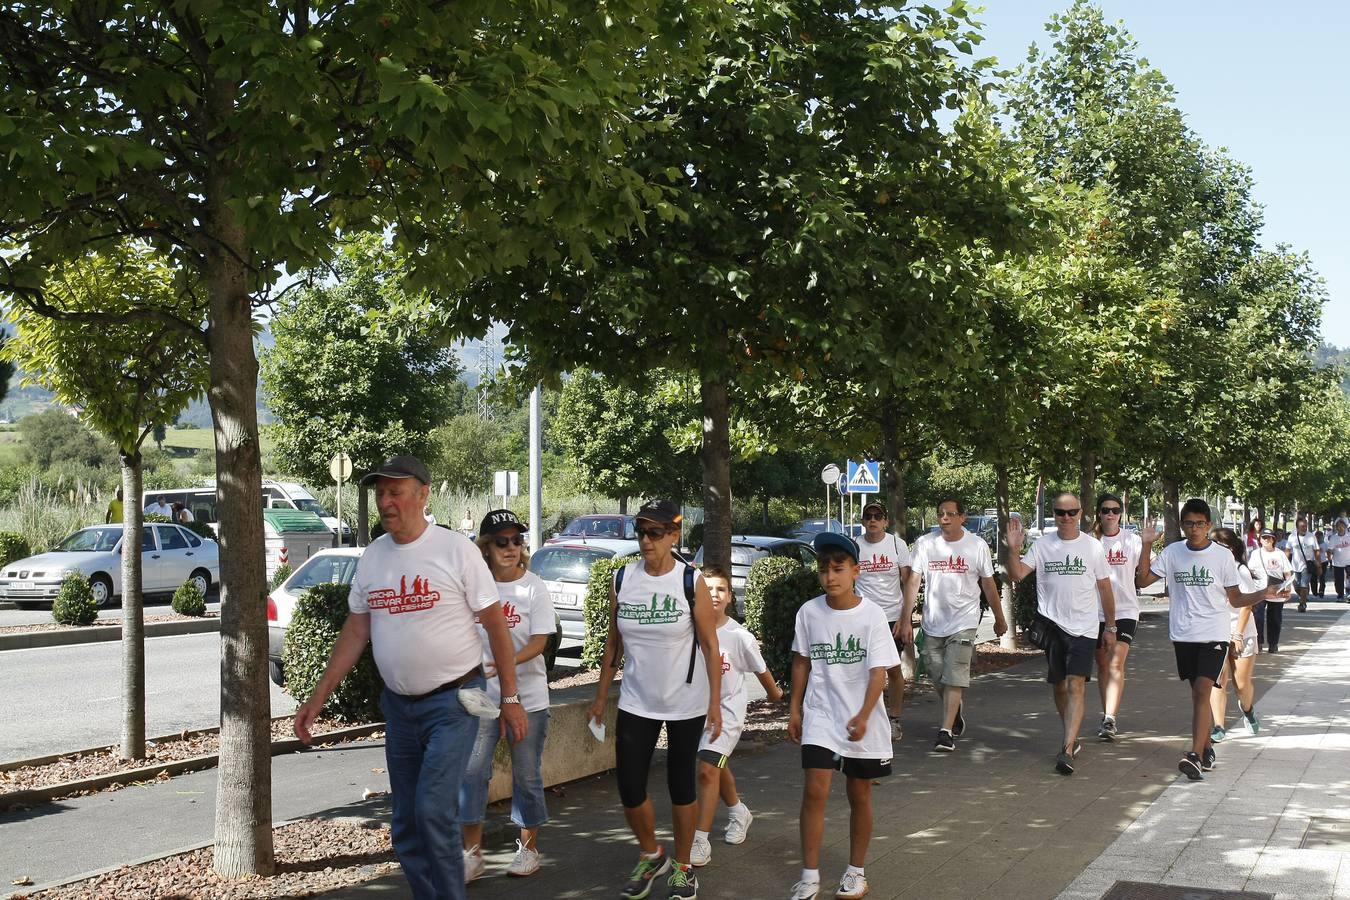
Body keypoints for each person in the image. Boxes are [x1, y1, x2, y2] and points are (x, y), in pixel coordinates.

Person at [293, 455, 527, 900]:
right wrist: (318, 695)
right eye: (380, 492)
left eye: (395, 491)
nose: (385, 501)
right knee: (405, 824)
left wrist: (511, 699)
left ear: (423, 493)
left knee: (432, 812)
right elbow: (358, 628)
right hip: (400, 709)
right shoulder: (374, 556)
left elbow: (496, 624)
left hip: (453, 703)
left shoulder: (454, 550)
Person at [587, 498, 722, 900]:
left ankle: (683, 868)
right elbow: (614, 642)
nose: (646, 540)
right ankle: (652, 854)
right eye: (641, 531)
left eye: (655, 533)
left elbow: (711, 646)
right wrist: (599, 697)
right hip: (636, 700)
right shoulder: (623, 579)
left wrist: (715, 702)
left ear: (674, 535)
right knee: (629, 787)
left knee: (681, 787)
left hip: (686, 701)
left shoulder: (688, 580)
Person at [788, 532, 900, 900]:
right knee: (814, 790)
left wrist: (866, 715)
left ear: (856, 571)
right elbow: (802, 661)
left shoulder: (871, 616)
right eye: (824, 570)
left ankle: (856, 871)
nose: (830, 577)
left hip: (861, 721)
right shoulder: (809, 612)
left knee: (859, 794)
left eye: (838, 569)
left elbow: (878, 673)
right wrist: (795, 708)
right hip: (821, 716)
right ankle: (809, 876)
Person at [1137, 499, 1281, 780]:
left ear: (1209, 525)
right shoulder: (1172, 552)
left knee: (1204, 689)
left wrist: (1264, 593)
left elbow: (1236, 598)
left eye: (1200, 524)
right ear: (1182, 525)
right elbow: (1142, 581)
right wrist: (1145, 545)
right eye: (1189, 523)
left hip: (1214, 634)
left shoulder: (1222, 557)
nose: (1194, 529)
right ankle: (1204, 750)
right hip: (1183, 633)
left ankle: (1194, 754)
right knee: (1197, 693)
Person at [460, 509, 555, 881]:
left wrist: (507, 662)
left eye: (517, 540)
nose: (512, 547)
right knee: (472, 773)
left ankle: (529, 850)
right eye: (502, 541)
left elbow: (541, 640)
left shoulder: (533, 586)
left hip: (528, 697)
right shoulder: (474, 587)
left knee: (527, 775)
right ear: (486, 547)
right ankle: (472, 854)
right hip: (481, 696)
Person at [1005, 491, 1115, 776]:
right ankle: (1072, 732)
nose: (1066, 518)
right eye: (1060, 513)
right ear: (1053, 514)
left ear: (1080, 514)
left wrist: (1111, 627)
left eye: (1071, 512)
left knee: (1076, 684)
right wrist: (1014, 548)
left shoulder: (1092, 547)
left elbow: (1105, 588)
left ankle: (1067, 748)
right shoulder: (1042, 545)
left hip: (1085, 628)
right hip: (1053, 627)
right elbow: (1017, 574)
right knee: (1059, 685)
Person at [690, 565, 783, 869]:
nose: (714, 594)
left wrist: (779, 697)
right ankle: (738, 811)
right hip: (693, 713)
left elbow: (764, 675)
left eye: (720, 589)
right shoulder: (689, 629)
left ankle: (700, 840)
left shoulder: (739, 636)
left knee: (706, 769)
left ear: (730, 596)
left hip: (727, 713)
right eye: (708, 588)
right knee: (716, 765)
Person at [898, 496, 1006, 752]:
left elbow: (988, 583)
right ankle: (955, 710)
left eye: (949, 513)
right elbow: (913, 582)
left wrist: (999, 617)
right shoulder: (925, 544)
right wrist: (906, 619)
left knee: (955, 673)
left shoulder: (976, 545)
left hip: (964, 621)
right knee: (939, 676)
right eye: (940, 514)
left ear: (962, 517)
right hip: (933, 622)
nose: (944, 518)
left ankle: (945, 731)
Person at [852, 500, 912, 741]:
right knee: (864, 670)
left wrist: (905, 617)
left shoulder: (897, 545)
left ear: (886, 521)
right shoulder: (854, 546)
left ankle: (894, 719)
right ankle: (866, 716)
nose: (873, 520)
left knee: (892, 669)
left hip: (891, 618)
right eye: (869, 516)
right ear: (863, 521)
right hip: (862, 618)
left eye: (878, 516)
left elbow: (908, 583)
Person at [1091, 493, 1142, 742]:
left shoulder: (1132, 541)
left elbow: (1146, 571)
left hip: (1125, 611)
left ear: (1121, 513)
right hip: (1094, 612)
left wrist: (1151, 544)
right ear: (1098, 513)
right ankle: (1106, 714)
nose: (1110, 514)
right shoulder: (1090, 542)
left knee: (1115, 663)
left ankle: (1110, 718)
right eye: (1105, 510)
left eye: (1115, 510)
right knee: (1102, 665)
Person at [1208, 527, 1265, 742]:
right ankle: (1219, 726)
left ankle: (1248, 710)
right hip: (1216, 633)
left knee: (1241, 684)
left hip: (1243, 633)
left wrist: (1238, 635)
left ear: (1231, 548)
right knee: (1218, 680)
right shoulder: (1210, 570)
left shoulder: (1240, 570)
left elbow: (1246, 605)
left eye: (1219, 546)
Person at [1252, 530, 1293, 652]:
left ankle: (1273, 643)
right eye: (1264, 537)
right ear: (1260, 539)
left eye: (1269, 538)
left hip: (1277, 590)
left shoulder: (1280, 554)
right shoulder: (1255, 554)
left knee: (1274, 618)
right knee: (1257, 617)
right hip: (1260, 589)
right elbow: (1250, 571)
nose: (1266, 540)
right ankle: (1258, 643)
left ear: (1273, 540)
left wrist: (1288, 588)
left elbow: (1287, 572)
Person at [1286, 518, 1321, 613]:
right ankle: (1304, 595)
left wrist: (1318, 564)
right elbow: (1287, 551)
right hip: (1295, 566)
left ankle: (1302, 604)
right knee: (1296, 586)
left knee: (1304, 584)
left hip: (1307, 564)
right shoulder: (1292, 537)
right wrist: (1285, 564)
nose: (1304, 528)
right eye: (1302, 526)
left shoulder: (1311, 537)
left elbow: (1317, 550)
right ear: (1297, 528)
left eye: (1305, 526)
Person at [1327, 520, 1350, 601]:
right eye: (1338, 526)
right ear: (1336, 528)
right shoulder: (1334, 538)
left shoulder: (1349, 536)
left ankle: (1348, 594)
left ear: (1345, 527)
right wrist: (1329, 559)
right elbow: (1329, 550)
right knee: (1338, 581)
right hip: (1337, 563)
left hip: (1348, 562)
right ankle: (1340, 595)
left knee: (1348, 579)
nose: (1340, 528)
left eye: (1342, 526)